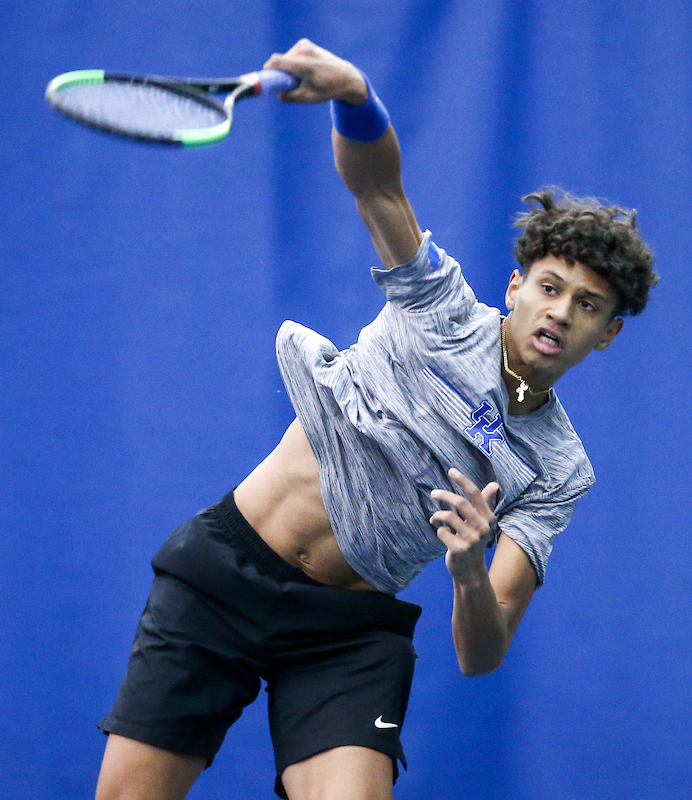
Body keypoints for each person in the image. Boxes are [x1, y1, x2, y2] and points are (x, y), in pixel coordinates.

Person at [95, 39, 658, 800]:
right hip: (224, 577)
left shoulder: (559, 470)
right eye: (550, 288)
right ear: (515, 286)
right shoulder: (442, 310)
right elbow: (378, 188)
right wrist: (356, 97)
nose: (560, 313)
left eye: (587, 305)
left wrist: (468, 573)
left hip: (346, 633)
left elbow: (483, 652)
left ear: (608, 333)